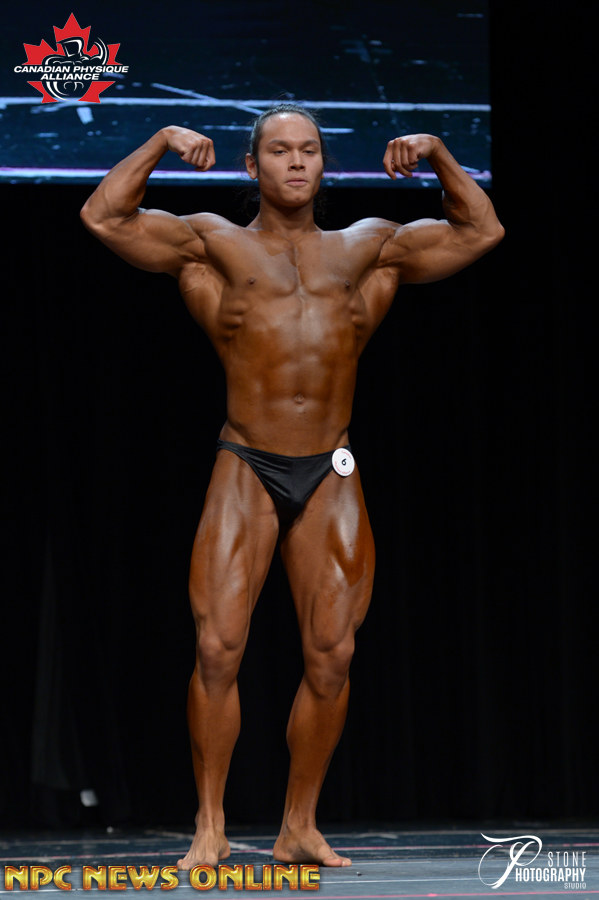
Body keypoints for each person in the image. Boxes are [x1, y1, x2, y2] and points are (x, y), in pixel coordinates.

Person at [80, 103, 504, 869]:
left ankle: (298, 826)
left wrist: (440, 154)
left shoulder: (367, 247)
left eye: (308, 149)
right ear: (253, 166)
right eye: (278, 150)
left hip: (329, 466)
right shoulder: (212, 242)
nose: (296, 161)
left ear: (323, 163)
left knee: (332, 656)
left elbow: (481, 231)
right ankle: (210, 823)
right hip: (246, 460)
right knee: (217, 648)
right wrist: (162, 140)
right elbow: (104, 217)